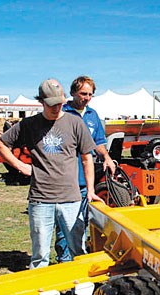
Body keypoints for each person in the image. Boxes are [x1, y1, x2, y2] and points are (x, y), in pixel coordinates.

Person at [0, 78, 102, 269]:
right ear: (41, 102)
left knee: (78, 251)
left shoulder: (75, 123)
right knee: (40, 256)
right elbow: (0, 144)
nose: (56, 108)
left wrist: (91, 190)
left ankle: (79, 293)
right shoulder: (30, 124)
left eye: (60, 104)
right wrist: (20, 166)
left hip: (71, 199)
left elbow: (87, 158)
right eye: (51, 105)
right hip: (41, 199)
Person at [55, 75, 116, 262]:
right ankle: (65, 264)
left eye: (90, 94)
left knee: (79, 225)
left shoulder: (92, 115)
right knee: (64, 228)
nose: (86, 98)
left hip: (84, 182)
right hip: (64, 181)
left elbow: (97, 142)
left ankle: (78, 262)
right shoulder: (61, 113)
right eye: (83, 93)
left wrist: (106, 157)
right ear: (73, 93)